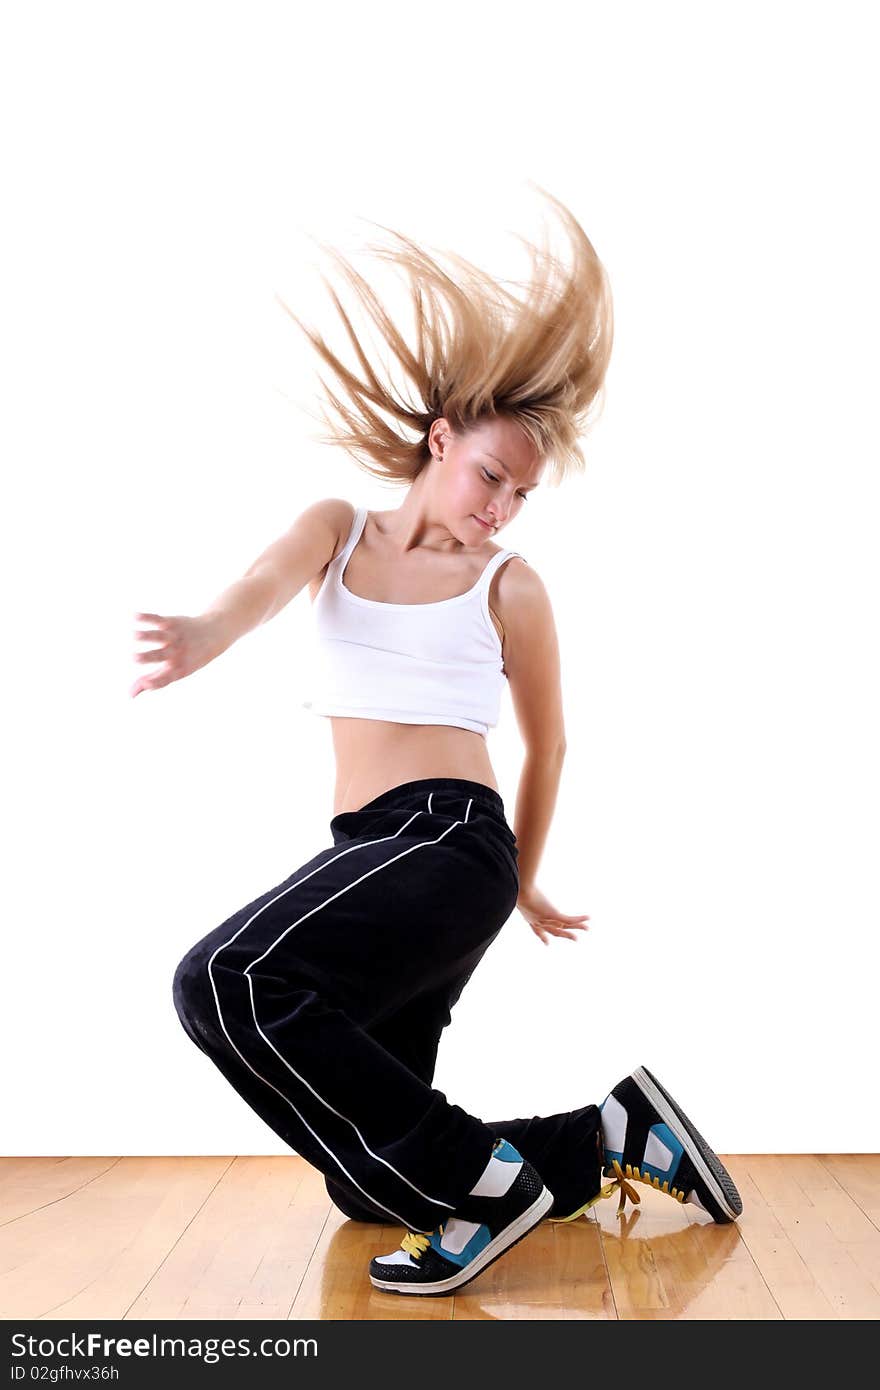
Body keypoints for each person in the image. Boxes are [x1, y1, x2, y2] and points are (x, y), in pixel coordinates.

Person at [133, 187, 742, 1298]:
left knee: (223, 979)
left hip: (452, 844)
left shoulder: (509, 586)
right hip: (369, 851)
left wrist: (521, 880)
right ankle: (611, 1133)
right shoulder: (340, 529)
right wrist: (201, 634)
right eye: (489, 476)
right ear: (440, 437)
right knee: (367, 1177)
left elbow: (547, 750)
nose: (500, 505)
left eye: (520, 493)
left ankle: (486, 1193)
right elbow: (259, 590)